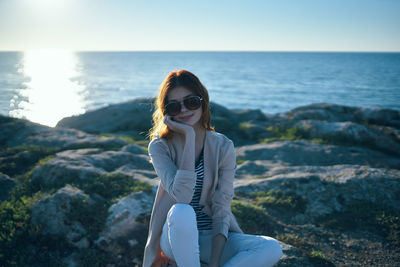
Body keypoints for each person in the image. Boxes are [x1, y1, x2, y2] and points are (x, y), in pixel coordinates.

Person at [142, 70, 282, 267]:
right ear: (166, 112)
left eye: (191, 101)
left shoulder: (223, 146)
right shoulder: (160, 147)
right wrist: (189, 137)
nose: (183, 110)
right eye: (174, 106)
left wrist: (215, 262)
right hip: (174, 237)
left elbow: (222, 207)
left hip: (209, 237)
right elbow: (181, 196)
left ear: (202, 100)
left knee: (271, 247)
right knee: (183, 212)